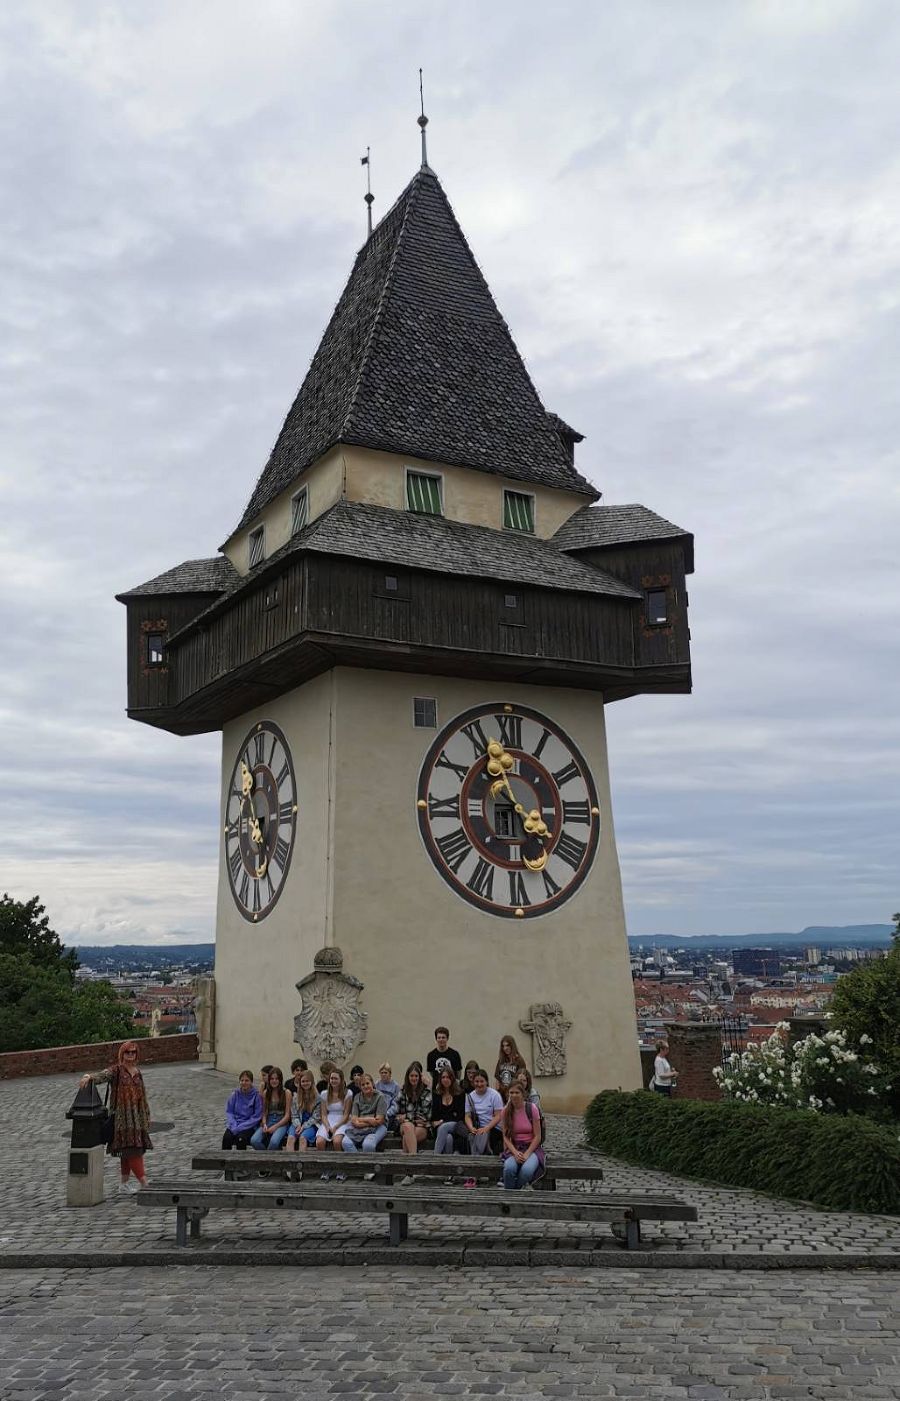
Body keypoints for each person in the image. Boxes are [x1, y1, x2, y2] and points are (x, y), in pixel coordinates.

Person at [79, 1040, 153, 1194]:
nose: (131, 1055)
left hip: (136, 1118)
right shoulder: (117, 1070)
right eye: (128, 1052)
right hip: (121, 1119)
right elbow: (104, 1075)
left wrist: (145, 1115)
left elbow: (142, 1096)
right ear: (122, 1054)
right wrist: (90, 1077)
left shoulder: (138, 1073)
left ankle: (124, 1184)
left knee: (128, 1151)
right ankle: (144, 1182)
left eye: (133, 1052)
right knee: (133, 1150)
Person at [500, 1081, 544, 1190]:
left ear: (523, 1094)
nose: (514, 1095)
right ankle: (510, 1195)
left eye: (517, 1092)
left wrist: (527, 1153)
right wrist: (515, 1153)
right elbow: (506, 1137)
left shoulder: (532, 1109)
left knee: (527, 1171)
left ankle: (514, 1192)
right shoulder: (505, 1111)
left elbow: (538, 1136)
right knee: (509, 1168)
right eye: (511, 1092)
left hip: (531, 1148)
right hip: (515, 1147)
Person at [463, 1068, 504, 1182]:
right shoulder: (470, 1096)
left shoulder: (494, 1095)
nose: (479, 1084)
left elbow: (498, 1116)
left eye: (482, 1081)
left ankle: (474, 1173)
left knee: (482, 1136)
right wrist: (471, 1127)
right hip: (477, 1126)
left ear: (486, 1082)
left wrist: (486, 1128)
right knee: (473, 1136)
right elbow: (467, 1116)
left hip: (493, 1127)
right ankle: (476, 1169)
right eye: (477, 1081)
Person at [337, 1073, 388, 1153]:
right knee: (345, 1142)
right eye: (363, 1085)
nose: (365, 1086)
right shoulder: (357, 1097)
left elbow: (378, 1121)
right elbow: (354, 1120)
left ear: (372, 1083)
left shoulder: (380, 1097)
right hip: (359, 1128)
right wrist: (369, 1119)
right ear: (360, 1087)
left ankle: (368, 1164)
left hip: (378, 1127)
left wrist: (360, 1120)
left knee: (368, 1145)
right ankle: (358, 1162)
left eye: (367, 1083)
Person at [396, 1061, 432, 1157]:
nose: (414, 1078)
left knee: (406, 1138)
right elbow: (397, 1112)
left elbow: (426, 1114)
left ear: (420, 1077)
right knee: (408, 1126)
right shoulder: (402, 1091)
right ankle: (415, 1161)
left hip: (422, 1127)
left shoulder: (426, 1091)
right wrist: (401, 1118)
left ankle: (408, 1168)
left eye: (416, 1076)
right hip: (404, 1125)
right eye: (412, 1076)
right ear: (408, 1077)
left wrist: (407, 1116)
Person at [251, 1066, 292, 1150]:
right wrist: (265, 1123)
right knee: (254, 1140)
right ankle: (266, 1159)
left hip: (281, 1122)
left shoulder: (287, 1093)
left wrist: (275, 1127)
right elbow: (264, 1112)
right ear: (269, 1080)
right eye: (272, 1079)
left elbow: (287, 1116)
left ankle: (267, 1161)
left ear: (280, 1080)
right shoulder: (266, 1093)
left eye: (276, 1079)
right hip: (269, 1120)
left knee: (274, 1142)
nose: (274, 1081)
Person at [431, 1067, 467, 1159]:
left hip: (456, 1125)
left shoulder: (460, 1094)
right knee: (448, 1139)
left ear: (452, 1079)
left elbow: (460, 1116)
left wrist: (442, 1121)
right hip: (440, 1129)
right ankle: (448, 1169)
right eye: (443, 1077)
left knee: (444, 1127)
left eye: (448, 1077)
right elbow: (434, 1117)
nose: (445, 1080)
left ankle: (434, 1159)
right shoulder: (436, 1095)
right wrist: (435, 1122)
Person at [223, 1069, 263, 1150]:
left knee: (240, 1139)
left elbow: (256, 1117)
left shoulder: (256, 1096)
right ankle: (225, 1162)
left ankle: (240, 1162)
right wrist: (233, 1125)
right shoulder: (235, 1094)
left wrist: (241, 1127)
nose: (244, 1083)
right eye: (242, 1080)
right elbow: (229, 1111)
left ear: (251, 1082)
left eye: (247, 1080)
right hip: (234, 1124)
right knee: (226, 1138)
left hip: (249, 1126)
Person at [315, 1068, 352, 1154]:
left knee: (337, 1141)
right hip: (328, 1120)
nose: (333, 1080)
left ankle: (338, 1165)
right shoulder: (324, 1094)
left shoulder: (348, 1093)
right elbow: (323, 1115)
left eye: (336, 1078)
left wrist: (336, 1127)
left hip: (342, 1120)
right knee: (319, 1142)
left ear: (341, 1080)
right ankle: (322, 1164)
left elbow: (346, 1115)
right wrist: (328, 1127)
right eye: (332, 1078)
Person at [286, 1068, 321, 1153]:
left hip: (311, 1124)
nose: (305, 1083)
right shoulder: (296, 1097)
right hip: (297, 1123)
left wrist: (303, 1127)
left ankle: (301, 1162)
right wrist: (298, 1125)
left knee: (302, 1138)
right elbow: (294, 1115)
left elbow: (315, 1117)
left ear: (312, 1082)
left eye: (307, 1081)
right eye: (303, 1081)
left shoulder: (318, 1098)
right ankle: (289, 1163)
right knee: (290, 1139)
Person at [375, 1062, 401, 1126]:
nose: (383, 1074)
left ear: (390, 1074)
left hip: (389, 1115)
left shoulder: (395, 1086)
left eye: (385, 1073)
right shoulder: (377, 1084)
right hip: (377, 1114)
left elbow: (396, 1105)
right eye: (382, 1073)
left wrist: (386, 1114)